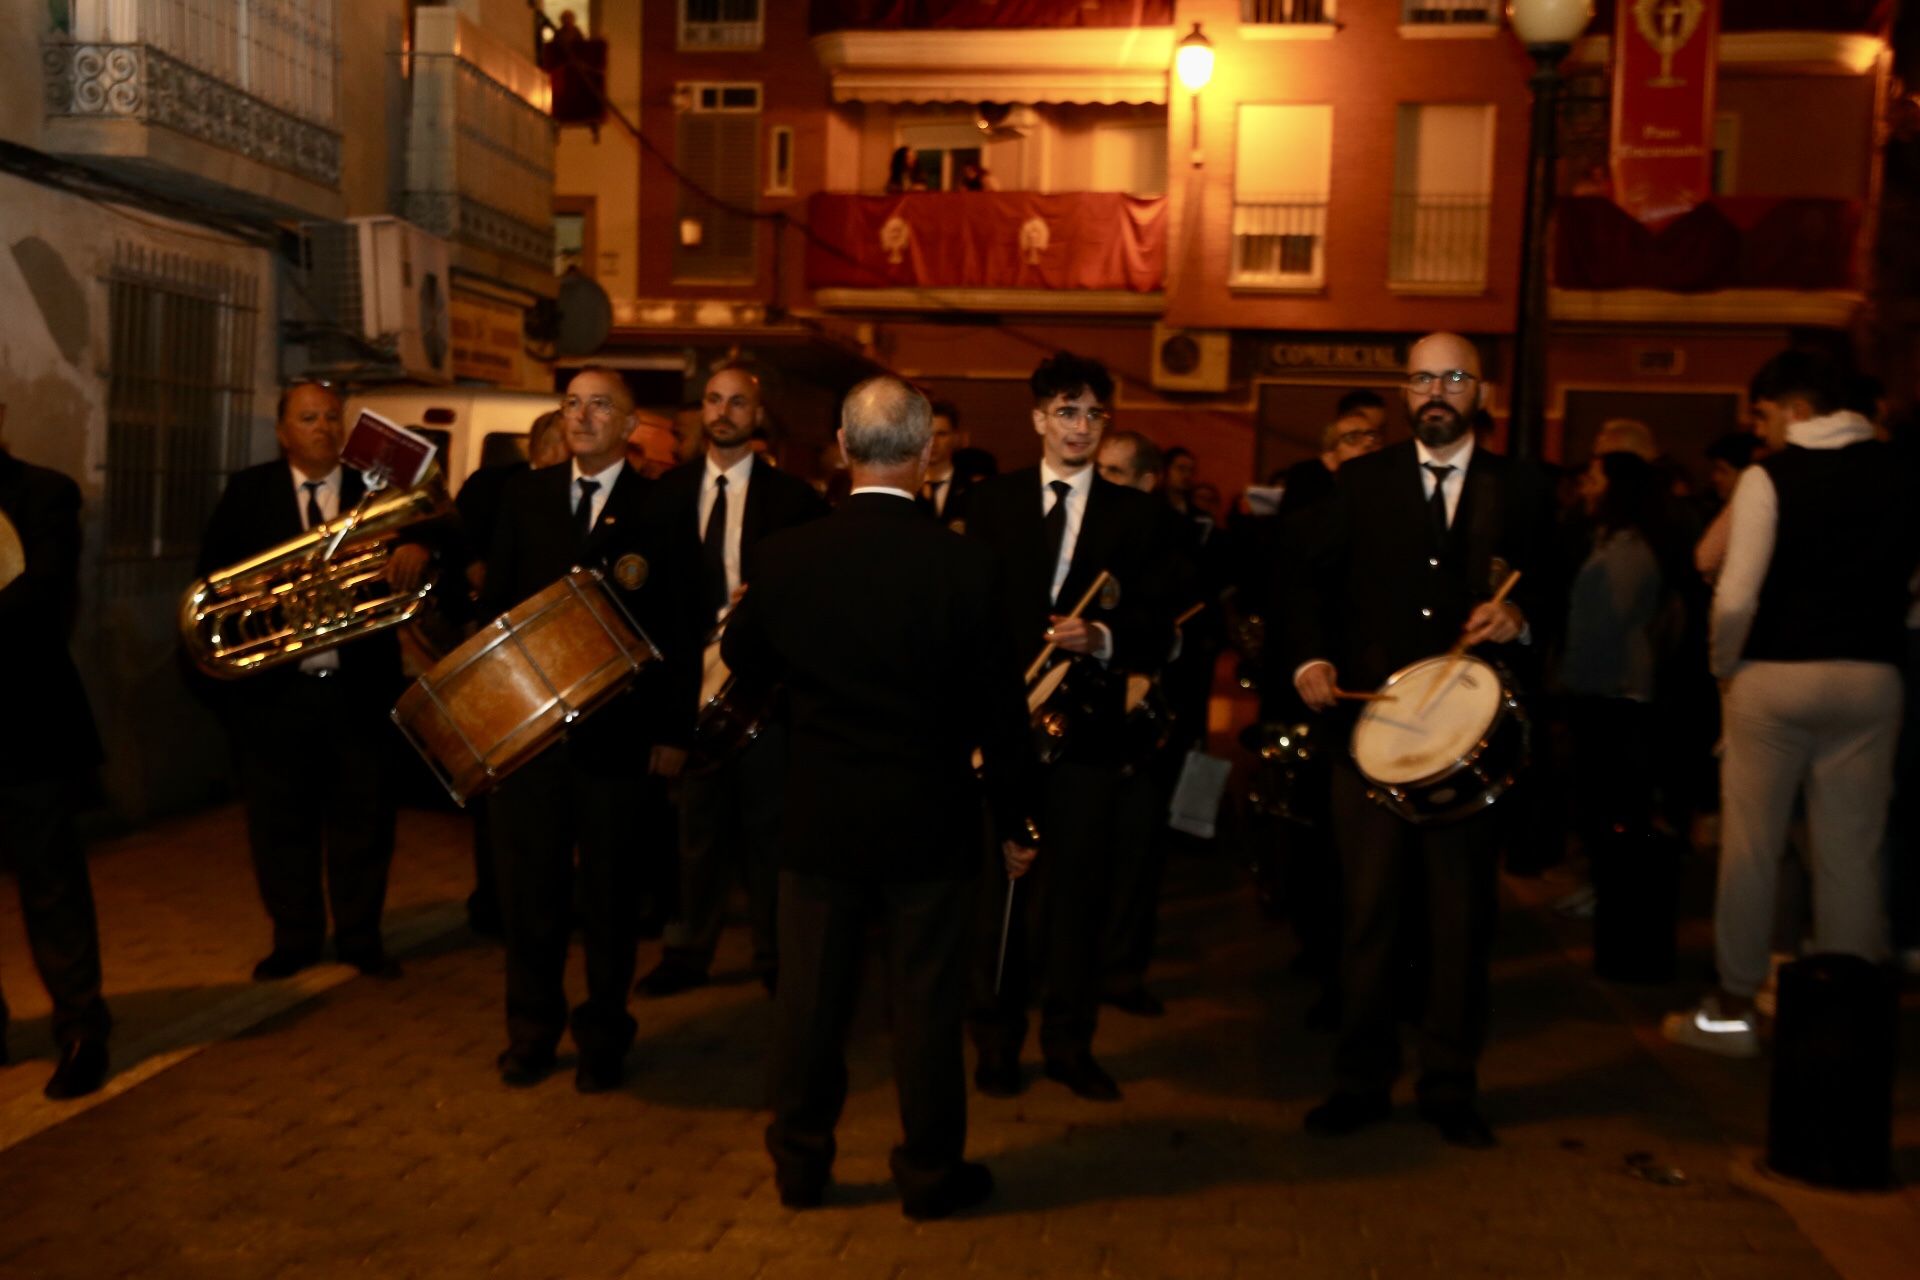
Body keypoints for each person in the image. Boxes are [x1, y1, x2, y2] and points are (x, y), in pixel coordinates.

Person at [722, 375, 1038, 1220]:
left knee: (809, 1004)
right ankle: (930, 1173)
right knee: (928, 1006)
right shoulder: (967, 567)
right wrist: (1017, 817)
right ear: (929, 450)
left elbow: (746, 660)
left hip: (821, 816)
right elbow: (1002, 714)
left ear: (842, 446)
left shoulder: (790, 554)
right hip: (928, 819)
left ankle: (800, 1164)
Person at [1282, 332, 1554, 1148]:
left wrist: (1520, 617)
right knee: (1366, 918)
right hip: (1370, 738)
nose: (1438, 390)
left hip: (1470, 746)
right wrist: (1310, 657)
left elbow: (1556, 591)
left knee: (1459, 923)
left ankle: (1449, 1084)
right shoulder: (1360, 483)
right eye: (1424, 377)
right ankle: (1360, 1080)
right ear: (1405, 391)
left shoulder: (1525, 489)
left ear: (1480, 391)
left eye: (1455, 377)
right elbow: (1301, 583)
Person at [1663, 350, 1918, 1057]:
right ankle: (1846, 1018)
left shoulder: (1768, 477)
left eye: (1766, 414)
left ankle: (1733, 1009)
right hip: (1871, 675)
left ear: (1796, 409)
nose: (1763, 429)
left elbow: (1737, 592)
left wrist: (1725, 669)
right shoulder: (1903, 474)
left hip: (1774, 674)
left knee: (1752, 849)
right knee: (1852, 854)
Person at [963, 352, 1168, 1102]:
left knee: (1077, 895)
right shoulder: (992, 504)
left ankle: (1069, 1042)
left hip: (1087, 732)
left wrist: (1105, 639)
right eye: (1065, 412)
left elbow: (1160, 624)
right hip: (1005, 725)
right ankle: (993, 1036)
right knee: (998, 891)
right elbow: (969, 616)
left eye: (1092, 414)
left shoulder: (1137, 515)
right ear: (1038, 420)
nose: (1079, 427)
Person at [482, 367, 682, 1091]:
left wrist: (672, 732)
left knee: (609, 896)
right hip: (531, 738)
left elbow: (677, 629)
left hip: (618, 738)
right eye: (573, 404)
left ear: (630, 426)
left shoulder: (661, 506)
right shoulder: (525, 496)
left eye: (602, 406)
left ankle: (604, 1034)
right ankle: (530, 1032)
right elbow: (496, 611)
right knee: (530, 894)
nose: (584, 416)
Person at [195, 380, 431, 982]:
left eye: (332, 418)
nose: (324, 427)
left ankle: (360, 937)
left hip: (357, 689)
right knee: (280, 823)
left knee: (365, 820)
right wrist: (250, 593)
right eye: (309, 417)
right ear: (282, 432)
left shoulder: (373, 491)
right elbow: (212, 579)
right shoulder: (249, 492)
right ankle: (294, 938)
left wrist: (418, 549)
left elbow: (440, 537)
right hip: (275, 694)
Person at [636, 364, 829, 999]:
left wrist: (773, 599)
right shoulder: (665, 497)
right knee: (695, 831)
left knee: (770, 832)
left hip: (764, 691)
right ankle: (687, 950)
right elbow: (653, 609)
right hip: (688, 690)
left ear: (757, 413)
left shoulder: (794, 500)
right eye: (714, 401)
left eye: (737, 402)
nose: (724, 412)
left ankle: (778, 956)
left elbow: (816, 596)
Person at [0, 425, 112, 1099]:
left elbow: (41, 596)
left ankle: (81, 1030)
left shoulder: (43, 492)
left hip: (25, 726)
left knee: (52, 887)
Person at [452, 408, 570, 939]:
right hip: (505, 666)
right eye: (563, 448)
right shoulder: (504, 494)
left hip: (559, 669)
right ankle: (496, 903)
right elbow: (462, 555)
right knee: (500, 801)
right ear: (541, 450)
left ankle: (546, 902)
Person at [1561, 452, 1665, 853]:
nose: (1585, 488)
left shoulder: (1626, 551)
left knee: (1614, 797)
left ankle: (1616, 886)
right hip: (1605, 685)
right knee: (1605, 796)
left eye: (1594, 479)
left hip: (1615, 687)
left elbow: (1608, 626)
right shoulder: (1608, 541)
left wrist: (1574, 680)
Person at [917, 401, 976, 529]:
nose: (933, 442)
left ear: (955, 437)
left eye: (941, 434)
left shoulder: (972, 489)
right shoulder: (908, 487)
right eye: (927, 435)